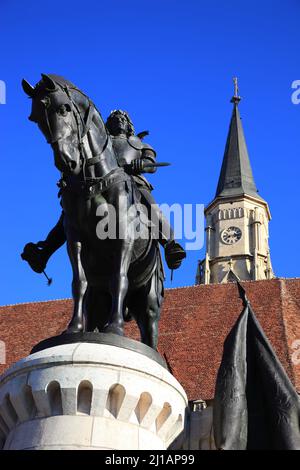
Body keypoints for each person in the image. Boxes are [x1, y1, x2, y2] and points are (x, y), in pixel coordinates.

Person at [22, 110, 186, 273]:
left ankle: (170, 244)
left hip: (133, 182)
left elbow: (151, 163)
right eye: (114, 119)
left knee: (150, 204)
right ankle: (43, 255)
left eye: (123, 119)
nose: (119, 121)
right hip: (102, 184)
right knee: (70, 213)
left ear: (129, 126)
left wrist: (141, 164)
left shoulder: (139, 144)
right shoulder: (101, 143)